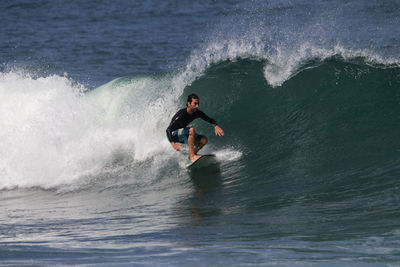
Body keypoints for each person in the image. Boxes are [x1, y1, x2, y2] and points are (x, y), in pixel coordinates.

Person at [166, 93, 224, 163]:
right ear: (189, 103)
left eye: (198, 104)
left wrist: (215, 125)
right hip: (173, 135)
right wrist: (173, 144)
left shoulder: (197, 113)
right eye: (195, 103)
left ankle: (192, 155)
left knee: (204, 140)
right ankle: (192, 155)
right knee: (191, 130)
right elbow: (168, 130)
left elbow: (209, 119)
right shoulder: (181, 115)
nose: (197, 106)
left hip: (182, 135)